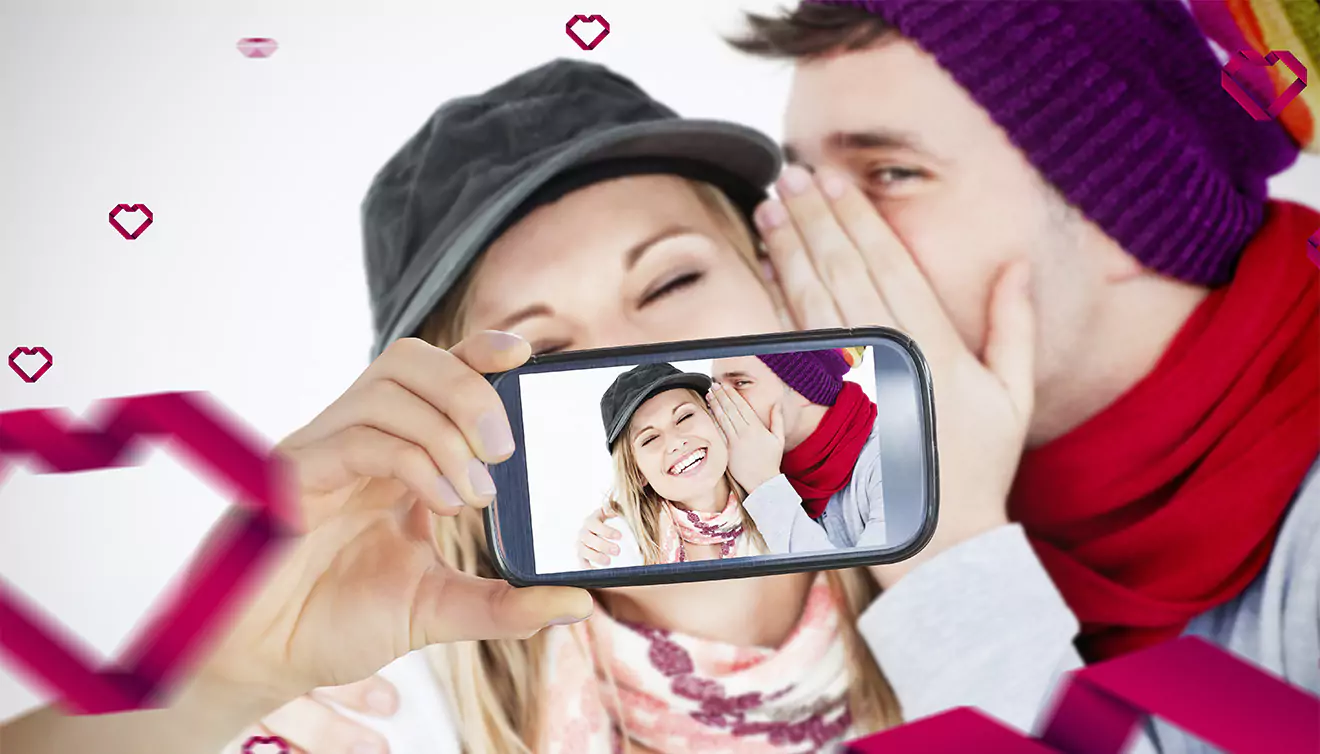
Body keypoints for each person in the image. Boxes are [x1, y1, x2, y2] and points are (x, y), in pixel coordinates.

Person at [580, 347, 885, 565]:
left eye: (740, 383)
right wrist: (609, 528)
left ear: (803, 389)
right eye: (716, 388)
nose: (718, 403)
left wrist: (764, 483)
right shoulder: (750, 461)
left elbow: (861, 603)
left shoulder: (886, 466)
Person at [591, 361, 790, 566]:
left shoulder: (781, 497)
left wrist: (769, 485)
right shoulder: (615, 543)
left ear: (716, 419)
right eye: (650, 439)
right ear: (637, 472)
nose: (676, 442)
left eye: (684, 417)